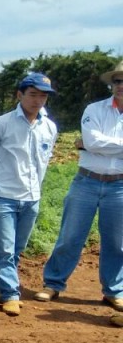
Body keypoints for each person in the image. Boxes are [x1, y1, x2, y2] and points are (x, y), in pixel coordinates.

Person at [35, 60, 123, 314]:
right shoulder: (94, 109)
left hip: (119, 184)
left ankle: (114, 291)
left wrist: (93, 143)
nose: (120, 85)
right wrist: (93, 143)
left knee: (117, 242)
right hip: (87, 179)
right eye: (117, 81)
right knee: (70, 236)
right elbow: (93, 142)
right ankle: (53, 283)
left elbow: (91, 143)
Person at [0, 73, 59, 317]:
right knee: (4, 248)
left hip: (32, 197)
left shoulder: (49, 127)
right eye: (33, 94)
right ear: (20, 95)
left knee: (16, 248)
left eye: (43, 95)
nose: (38, 100)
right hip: (3, 194)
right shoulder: (0, 124)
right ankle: (11, 294)